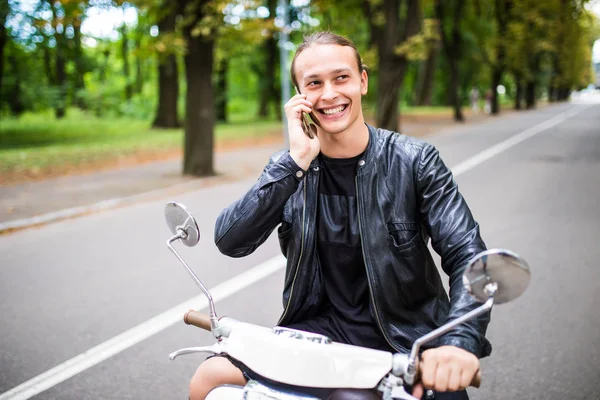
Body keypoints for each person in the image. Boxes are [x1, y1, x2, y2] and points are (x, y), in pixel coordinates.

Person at [190, 31, 491, 400]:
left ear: (362, 81)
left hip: (406, 343)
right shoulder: (292, 169)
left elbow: (470, 257)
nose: (329, 93)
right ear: (300, 96)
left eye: (341, 78)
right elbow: (230, 241)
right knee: (208, 378)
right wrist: (294, 162)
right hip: (316, 341)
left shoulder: (414, 161)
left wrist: (459, 342)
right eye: (314, 83)